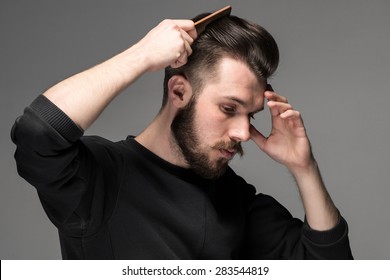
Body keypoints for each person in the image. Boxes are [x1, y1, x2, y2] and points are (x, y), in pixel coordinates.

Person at [11, 11, 353, 259]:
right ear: (179, 92)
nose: (244, 132)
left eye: (250, 115)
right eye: (229, 109)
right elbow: (38, 133)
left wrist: (304, 168)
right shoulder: (101, 177)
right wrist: (142, 56)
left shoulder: (234, 199)